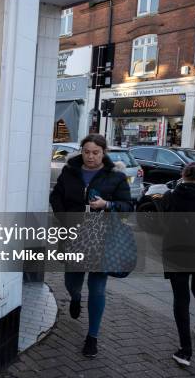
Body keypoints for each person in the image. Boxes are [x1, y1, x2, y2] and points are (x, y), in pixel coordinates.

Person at [50, 134, 132, 358]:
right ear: (81, 151)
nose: (91, 156)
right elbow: (56, 196)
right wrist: (63, 216)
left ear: (104, 153)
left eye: (96, 152)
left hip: (102, 239)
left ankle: (92, 337)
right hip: (74, 236)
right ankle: (75, 298)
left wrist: (108, 204)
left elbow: (128, 206)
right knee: (72, 283)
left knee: (97, 288)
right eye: (87, 151)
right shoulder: (70, 171)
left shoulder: (116, 177)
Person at [160, 163, 195, 367]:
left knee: (181, 300)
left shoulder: (170, 196)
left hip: (175, 254)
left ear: (183, 175)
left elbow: (161, 224)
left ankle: (185, 351)